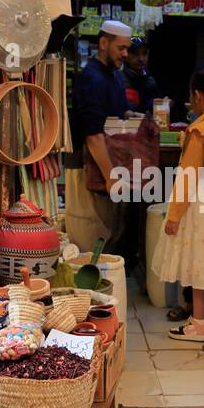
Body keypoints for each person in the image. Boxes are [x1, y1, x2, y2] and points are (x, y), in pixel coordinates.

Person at [154, 67, 204, 342]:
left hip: (197, 199)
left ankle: (197, 322)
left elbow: (188, 176)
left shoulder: (200, 130)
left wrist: (174, 215)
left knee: (199, 260)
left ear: (197, 96)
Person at [71, 18, 137, 268]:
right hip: (92, 171)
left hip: (107, 171)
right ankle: (84, 302)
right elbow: (93, 134)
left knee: (108, 237)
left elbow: (113, 117)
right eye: (121, 48)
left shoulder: (113, 76)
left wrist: (133, 118)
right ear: (102, 43)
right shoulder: (92, 78)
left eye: (127, 48)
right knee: (89, 243)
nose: (125, 54)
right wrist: (111, 176)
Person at [122, 36, 158, 117]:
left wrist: (161, 104)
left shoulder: (151, 81)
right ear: (126, 55)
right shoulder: (119, 79)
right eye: (135, 53)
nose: (141, 58)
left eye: (144, 53)